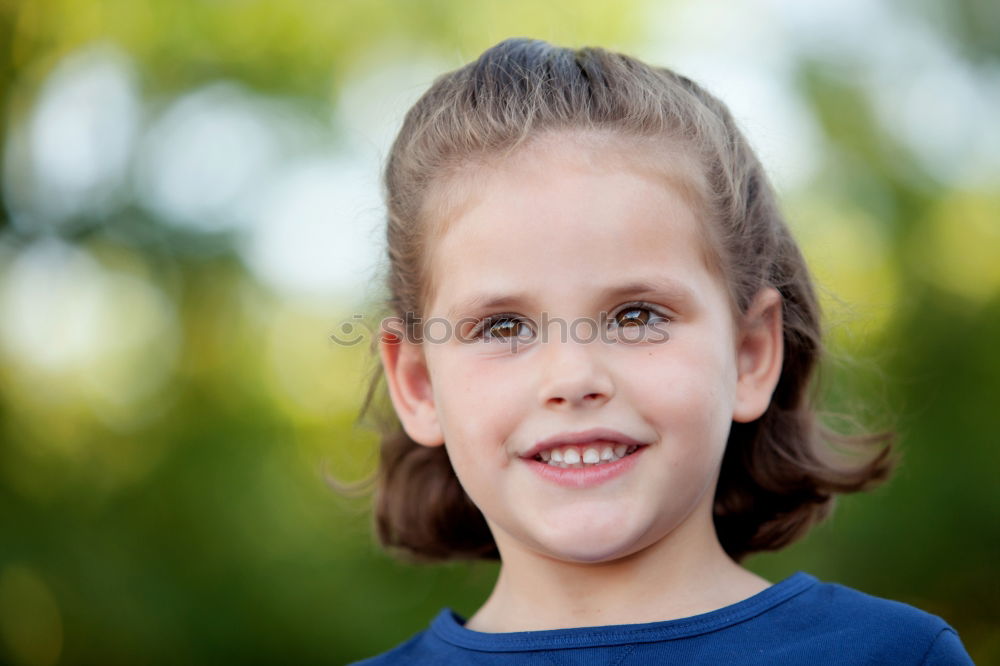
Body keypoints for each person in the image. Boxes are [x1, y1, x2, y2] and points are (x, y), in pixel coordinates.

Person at [347, 38, 974, 664]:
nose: (572, 376)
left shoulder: (897, 655)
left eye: (636, 316)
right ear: (419, 384)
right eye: (503, 328)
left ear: (750, 354)